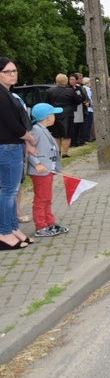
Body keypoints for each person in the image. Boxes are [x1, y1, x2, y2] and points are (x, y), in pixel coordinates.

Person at [0, 57, 37, 250]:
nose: (12, 74)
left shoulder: (8, 93)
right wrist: (29, 138)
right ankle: (4, 232)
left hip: (12, 146)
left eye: (14, 71)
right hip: (7, 147)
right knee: (8, 192)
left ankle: (12, 228)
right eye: (7, 71)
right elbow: (12, 125)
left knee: (11, 191)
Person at [27, 103, 70, 238]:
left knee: (47, 198)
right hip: (40, 171)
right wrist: (37, 164)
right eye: (53, 114)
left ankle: (49, 222)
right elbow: (29, 149)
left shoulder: (43, 129)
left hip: (47, 170)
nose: (54, 117)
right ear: (47, 117)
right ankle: (41, 226)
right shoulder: (36, 130)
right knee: (41, 199)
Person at [46, 73, 82, 158]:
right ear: (66, 81)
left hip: (54, 113)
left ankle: (58, 151)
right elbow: (78, 101)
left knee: (56, 134)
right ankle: (65, 153)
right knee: (67, 134)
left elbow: (46, 103)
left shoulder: (50, 91)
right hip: (67, 114)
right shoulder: (70, 91)